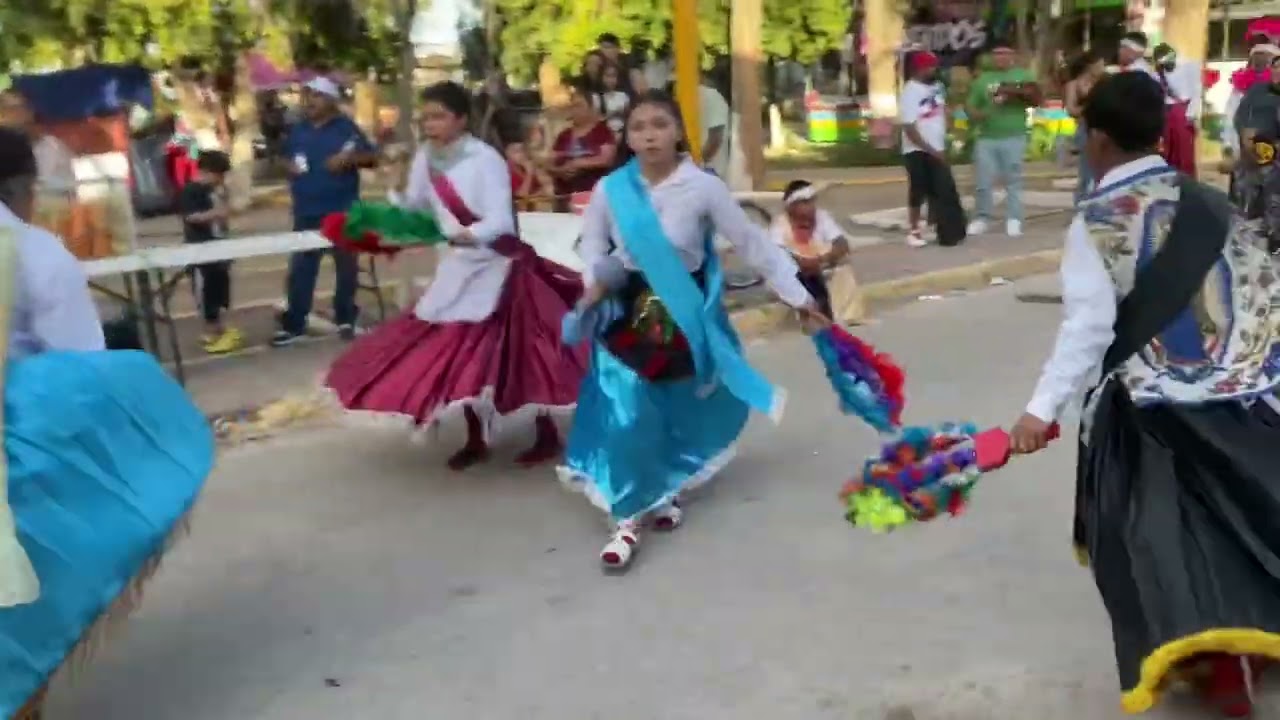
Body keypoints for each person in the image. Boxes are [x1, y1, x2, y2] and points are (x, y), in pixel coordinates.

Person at [1008, 71, 1280, 719]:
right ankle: (1254, 646)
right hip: (1247, 400)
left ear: (1096, 137)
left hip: (1158, 409)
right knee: (1245, 522)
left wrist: (1038, 411)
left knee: (1160, 541)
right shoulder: (1215, 203)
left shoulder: (1097, 222)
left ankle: (1220, 671)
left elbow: (1088, 329)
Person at [560, 90, 825, 569]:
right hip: (623, 309)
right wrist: (594, 286)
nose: (649, 135)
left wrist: (800, 297)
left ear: (679, 131)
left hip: (679, 308)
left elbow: (752, 244)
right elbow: (592, 246)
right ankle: (626, 516)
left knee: (672, 405)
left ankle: (663, 488)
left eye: (660, 124)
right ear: (628, 136)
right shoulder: (611, 189)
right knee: (627, 408)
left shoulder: (702, 187)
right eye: (638, 126)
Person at [0, 126, 213, 720]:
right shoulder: (36, 253)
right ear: (23, 185)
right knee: (29, 592)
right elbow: (84, 370)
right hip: (17, 441)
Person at [325, 81, 586, 470]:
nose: (430, 124)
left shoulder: (485, 159)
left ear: (461, 119)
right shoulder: (426, 157)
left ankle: (546, 433)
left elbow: (499, 218)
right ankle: (475, 435)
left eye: (439, 116)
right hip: (458, 266)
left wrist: (469, 234)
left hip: (500, 264)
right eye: (426, 117)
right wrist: (391, 195)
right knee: (458, 353)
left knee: (523, 351)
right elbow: (416, 206)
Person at [273, 77, 379, 346]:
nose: (310, 101)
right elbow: (282, 157)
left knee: (346, 268)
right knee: (301, 270)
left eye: (317, 95)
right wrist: (287, 166)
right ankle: (294, 325)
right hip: (306, 211)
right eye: (307, 95)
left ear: (331, 100)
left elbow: (372, 157)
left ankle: (346, 318)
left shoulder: (347, 129)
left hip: (341, 210)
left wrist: (348, 159)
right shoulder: (298, 130)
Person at [965, 42, 1041, 238]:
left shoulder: (1023, 75)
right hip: (986, 136)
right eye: (997, 54)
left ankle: (1014, 219)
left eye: (1005, 54)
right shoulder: (982, 79)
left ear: (1012, 55)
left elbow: (1036, 99)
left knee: (1013, 179)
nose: (1001, 58)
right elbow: (971, 105)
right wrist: (976, 114)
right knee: (983, 181)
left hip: (1014, 135)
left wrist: (1012, 92)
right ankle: (982, 217)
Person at [899, 51, 966, 247]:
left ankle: (941, 227)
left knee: (941, 189)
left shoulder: (937, 87)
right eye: (930, 67)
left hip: (937, 146)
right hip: (917, 149)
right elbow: (909, 128)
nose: (934, 70)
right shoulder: (910, 92)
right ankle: (913, 230)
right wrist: (929, 149)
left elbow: (943, 111)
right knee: (918, 189)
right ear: (919, 69)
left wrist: (951, 133)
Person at [180, 150, 242, 354]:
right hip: (201, 247)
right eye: (219, 175)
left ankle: (219, 326)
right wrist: (216, 213)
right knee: (205, 290)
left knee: (220, 287)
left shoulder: (217, 190)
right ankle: (210, 329)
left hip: (219, 245)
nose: (221, 180)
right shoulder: (192, 190)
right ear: (206, 172)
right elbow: (192, 217)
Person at [770, 180, 851, 320]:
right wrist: (800, 263)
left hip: (821, 267)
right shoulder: (780, 225)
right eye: (806, 202)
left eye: (812, 201)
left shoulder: (822, 217)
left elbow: (842, 244)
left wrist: (822, 260)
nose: (812, 206)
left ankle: (843, 313)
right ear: (792, 206)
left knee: (844, 265)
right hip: (794, 272)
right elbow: (776, 253)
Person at [1240, 54, 1280, 254]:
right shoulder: (1257, 92)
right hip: (1256, 161)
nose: (1277, 71)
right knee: (1251, 212)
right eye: (1275, 67)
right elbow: (1244, 123)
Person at [549, 83, 617, 201]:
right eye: (572, 106)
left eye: (578, 106)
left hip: (594, 195)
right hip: (565, 195)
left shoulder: (602, 131)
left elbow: (607, 159)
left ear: (591, 108)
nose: (573, 110)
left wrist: (578, 163)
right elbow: (550, 162)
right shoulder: (564, 135)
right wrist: (561, 171)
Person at [1153, 43, 1202, 177]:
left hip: (1183, 112)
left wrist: (1191, 114)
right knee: (1168, 152)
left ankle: (1187, 184)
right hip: (1166, 112)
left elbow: (1197, 91)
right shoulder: (1158, 73)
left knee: (1185, 153)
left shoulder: (1190, 65)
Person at [1064, 52, 1106, 203]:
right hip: (1085, 130)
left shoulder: (1104, 83)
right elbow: (1070, 109)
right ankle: (1081, 206)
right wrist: (1089, 108)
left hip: (1105, 129)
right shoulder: (1074, 84)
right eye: (1100, 64)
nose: (1103, 67)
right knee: (1086, 172)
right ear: (1090, 66)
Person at [506, 139, 554, 211]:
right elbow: (521, 196)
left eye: (522, 150)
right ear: (507, 153)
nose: (521, 154)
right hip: (515, 208)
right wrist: (529, 173)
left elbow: (547, 185)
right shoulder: (507, 170)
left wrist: (536, 170)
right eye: (516, 151)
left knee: (549, 190)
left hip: (531, 204)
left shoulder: (524, 166)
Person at [597, 61, 632, 135]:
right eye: (607, 76)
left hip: (622, 133)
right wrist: (612, 114)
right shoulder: (597, 97)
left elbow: (629, 115)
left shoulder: (623, 96)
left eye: (613, 76)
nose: (610, 80)